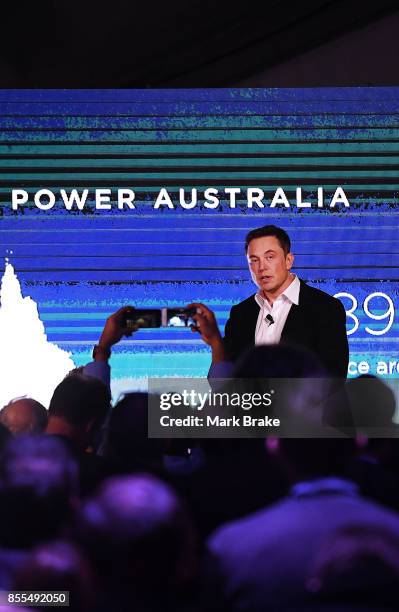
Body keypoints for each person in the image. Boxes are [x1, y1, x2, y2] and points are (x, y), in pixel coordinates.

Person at [189, 224, 349, 379]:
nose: (262, 267)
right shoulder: (241, 313)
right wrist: (216, 342)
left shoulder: (325, 308)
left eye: (270, 257)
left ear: (288, 260)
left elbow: (332, 379)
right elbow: (221, 385)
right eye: (254, 260)